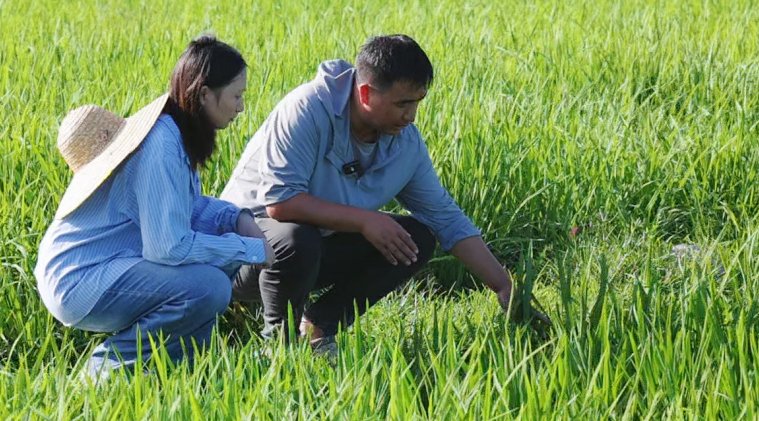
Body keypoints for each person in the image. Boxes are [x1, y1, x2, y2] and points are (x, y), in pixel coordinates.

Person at [220, 34, 513, 353]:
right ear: (365, 93)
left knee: (415, 239)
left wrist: (504, 286)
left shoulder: (404, 143)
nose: (411, 115)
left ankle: (318, 330)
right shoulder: (307, 109)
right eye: (402, 104)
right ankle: (280, 348)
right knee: (296, 237)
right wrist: (364, 221)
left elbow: (445, 218)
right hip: (241, 256)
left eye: (417, 102)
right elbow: (280, 202)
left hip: (312, 250)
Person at [34, 35, 271, 381]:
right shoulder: (162, 145)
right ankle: (101, 374)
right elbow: (168, 248)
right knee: (208, 286)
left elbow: (186, 208)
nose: (241, 107)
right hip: (79, 278)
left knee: (208, 272)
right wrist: (249, 248)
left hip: (102, 268)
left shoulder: (176, 135)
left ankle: (181, 374)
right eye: (236, 96)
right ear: (205, 94)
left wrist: (236, 218)